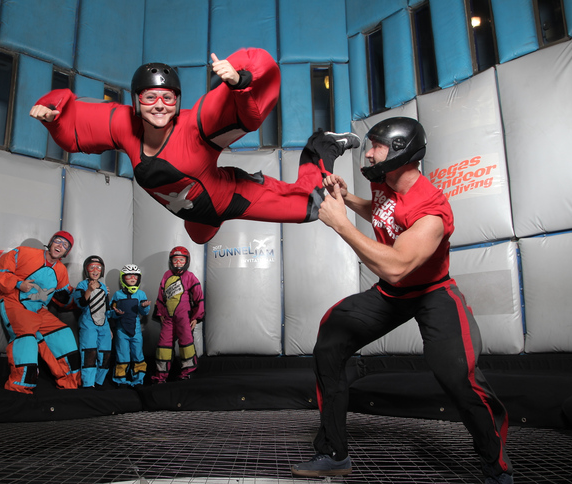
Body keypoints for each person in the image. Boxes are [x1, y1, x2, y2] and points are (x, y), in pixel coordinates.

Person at [291, 117, 514, 484]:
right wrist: (348, 199)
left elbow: (396, 266)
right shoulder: (386, 182)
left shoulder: (431, 210)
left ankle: (497, 468)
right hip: (394, 294)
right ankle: (333, 453)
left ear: (399, 152)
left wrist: (340, 224)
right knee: (332, 334)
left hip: (432, 291)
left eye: (376, 146)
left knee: (459, 376)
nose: (369, 152)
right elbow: (381, 213)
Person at [29, 48, 360, 244]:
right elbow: (77, 127)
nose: (159, 105)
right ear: (135, 101)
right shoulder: (123, 126)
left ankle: (321, 147)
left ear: (177, 101)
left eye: (168, 97)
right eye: (150, 97)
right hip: (197, 217)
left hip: (229, 197)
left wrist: (241, 82)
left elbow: (246, 114)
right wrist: (54, 117)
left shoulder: (195, 126)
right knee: (199, 237)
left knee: (311, 209)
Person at [0, 231, 81, 394]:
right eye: (58, 241)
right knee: (26, 336)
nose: (60, 246)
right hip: (14, 302)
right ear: (51, 242)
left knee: (63, 333)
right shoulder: (24, 253)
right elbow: (2, 270)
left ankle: (69, 382)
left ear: (66, 252)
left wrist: (83, 297)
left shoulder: (61, 270)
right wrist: (19, 284)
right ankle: (20, 387)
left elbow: (63, 297)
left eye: (65, 245)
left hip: (38, 310)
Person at [151, 247, 205, 383]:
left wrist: (196, 317)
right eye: (175, 260)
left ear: (187, 261)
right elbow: (160, 296)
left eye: (181, 260)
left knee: (186, 344)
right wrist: (160, 313)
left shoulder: (190, 277)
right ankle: (160, 376)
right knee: (163, 345)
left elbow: (199, 298)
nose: (178, 263)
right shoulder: (166, 275)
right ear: (171, 261)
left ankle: (188, 373)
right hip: (168, 319)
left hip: (184, 318)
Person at [71, 255, 113, 388]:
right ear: (86, 270)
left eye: (98, 267)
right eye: (92, 267)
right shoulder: (82, 285)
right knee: (89, 354)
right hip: (88, 325)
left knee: (105, 354)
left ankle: (99, 382)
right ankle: (88, 384)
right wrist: (89, 290)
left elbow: (106, 309)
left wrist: (110, 327)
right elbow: (80, 304)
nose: (95, 270)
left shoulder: (104, 287)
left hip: (104, 325)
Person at [109, 264, 151, 387]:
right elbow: (110, 312)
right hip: (121, 331)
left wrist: (144, 306)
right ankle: (120, 380)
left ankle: (138, 380)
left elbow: (145, 313)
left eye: (135, 276)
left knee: (138, 355)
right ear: (123, 278)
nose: (132, 278)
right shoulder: (117, 295)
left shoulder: (141, 294)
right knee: (122, 355)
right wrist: (115, 313)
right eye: (129, 276)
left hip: (136, 330)